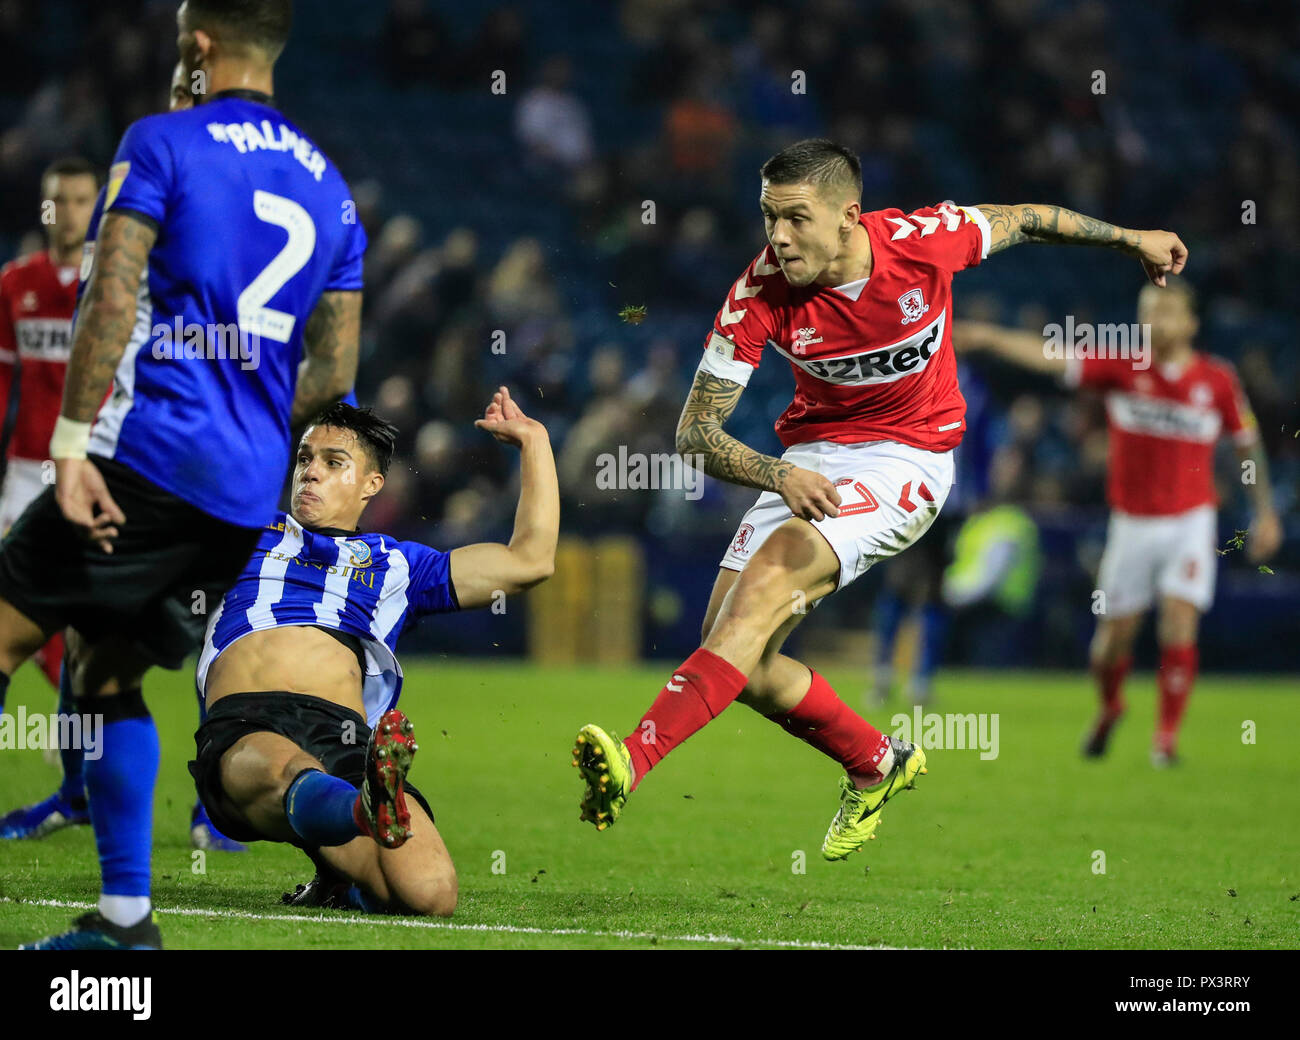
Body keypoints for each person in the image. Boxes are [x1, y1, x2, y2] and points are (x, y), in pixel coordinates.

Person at [572, 138, 1188, 862]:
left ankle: (632, 762)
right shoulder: (759, 292)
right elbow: (693, 432)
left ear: (848, 216)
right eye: (769, 216)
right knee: (740, 659)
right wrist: (777, 474)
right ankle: (875, 761)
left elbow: (1025, 218)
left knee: (763, 590)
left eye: (797, 218)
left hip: (911, 460)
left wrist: (1131, 240)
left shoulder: (925, 241)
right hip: (809, 461)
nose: (778, 236)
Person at [6, 0, 364, 950]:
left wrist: (74, 441)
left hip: (152, 458)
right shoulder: (331, 188)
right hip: (243, 493)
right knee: (104, 669)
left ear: (198, 47)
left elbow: (113, 292)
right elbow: (332, 381)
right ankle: (125, 924)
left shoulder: (162, 143)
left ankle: (124, 915)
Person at [0, 62, 244, 851]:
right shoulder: (25, 282)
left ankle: (201, 816)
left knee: (133, 651)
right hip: (203, 464)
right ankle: (95, 809)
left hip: (126, 459)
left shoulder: (157, 205)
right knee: (100, 656)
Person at [192, 392, 556, 915]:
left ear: (372, 485)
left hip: (346, 739)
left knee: (430, 895)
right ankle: (360, 812)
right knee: (284, 769)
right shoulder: (242, 532)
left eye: (333, 462)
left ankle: (344, 867)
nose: (310, 473)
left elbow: (530, 561)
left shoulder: (396, 565)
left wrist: (535, 442)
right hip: (248, 721)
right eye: (304, 459)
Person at [954, 277, 1281, 764]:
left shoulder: (1217, 380)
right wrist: (990, 337)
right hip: (1131, 524)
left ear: (1191, 322)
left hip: (1192, 520)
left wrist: (1265, 513)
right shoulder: (1123, 366)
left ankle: (1164, 740)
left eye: (1167, 311)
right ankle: (1111, 707)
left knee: (1178, 620)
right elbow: (1052, 355)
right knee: (1112, 643)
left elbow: (1246, 443)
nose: (1154, 320)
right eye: (1147, 310)